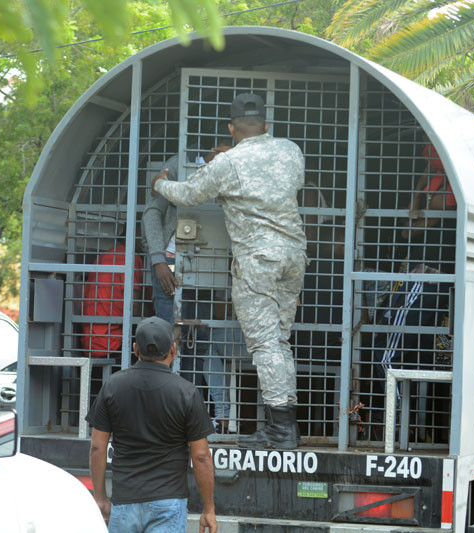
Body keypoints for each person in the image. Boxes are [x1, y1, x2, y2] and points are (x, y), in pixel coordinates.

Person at [152, 93, 307, 450]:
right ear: (267, 126)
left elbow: (189, 194)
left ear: (231, 129)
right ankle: (286, 425)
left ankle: (280, 430)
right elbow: (291, 185)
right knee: (279, 342)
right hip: (294, 256)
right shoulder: (290, 151)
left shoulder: (229, 162)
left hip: (258, 261)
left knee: (266, 344)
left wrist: (159, 182)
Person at [87, 316, 217, 533]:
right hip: (168, 503)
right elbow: (201, 456)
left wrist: (100, 497)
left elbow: (97, 447)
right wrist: (209, 509)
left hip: (124, 502)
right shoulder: (186, 393)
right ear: (173, 349)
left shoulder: (112, 387)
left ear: (136, 349)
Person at [142, 141, 232, 431]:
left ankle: (192, 419)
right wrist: (157, 260)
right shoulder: (180, 164)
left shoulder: (231, 171)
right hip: (170, 267)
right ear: (217, 145)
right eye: (228, 148)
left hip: (208, 272)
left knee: (199, 347)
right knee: (167, 343)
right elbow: (152, 213)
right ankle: (166, 419)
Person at [81, 244, 144, 357]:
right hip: (112, 343)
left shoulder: (103, 256)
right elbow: (134, 308)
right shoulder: (130, 257)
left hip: (88, 343)